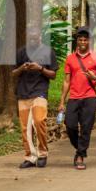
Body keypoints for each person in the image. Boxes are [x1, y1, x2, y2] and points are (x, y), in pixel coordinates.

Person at [58, 27, 96, 170]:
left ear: (89, 41)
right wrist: (62, 101)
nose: (83, 42)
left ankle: (80, 156)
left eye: (85, 40)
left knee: (86, 128)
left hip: (90, 97)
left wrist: (95, 77)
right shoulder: (70, 58)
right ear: (77, 41)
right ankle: (80, 148)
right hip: (74, 97)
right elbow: (66, 81)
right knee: (70, 125)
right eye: (80, 40)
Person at [13, 28, 59, 169]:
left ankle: (43, 154)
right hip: (23, 93)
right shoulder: (21, 52)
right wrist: (23, 68)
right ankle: (30, 157)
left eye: (35, 38)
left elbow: (53, 74)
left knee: (39, 121)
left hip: (40, 92)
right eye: (30, 38)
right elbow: (13, 73)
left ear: (40, 36)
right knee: (25, 127)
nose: (33, 40)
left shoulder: (47, 51)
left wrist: (40, 68)